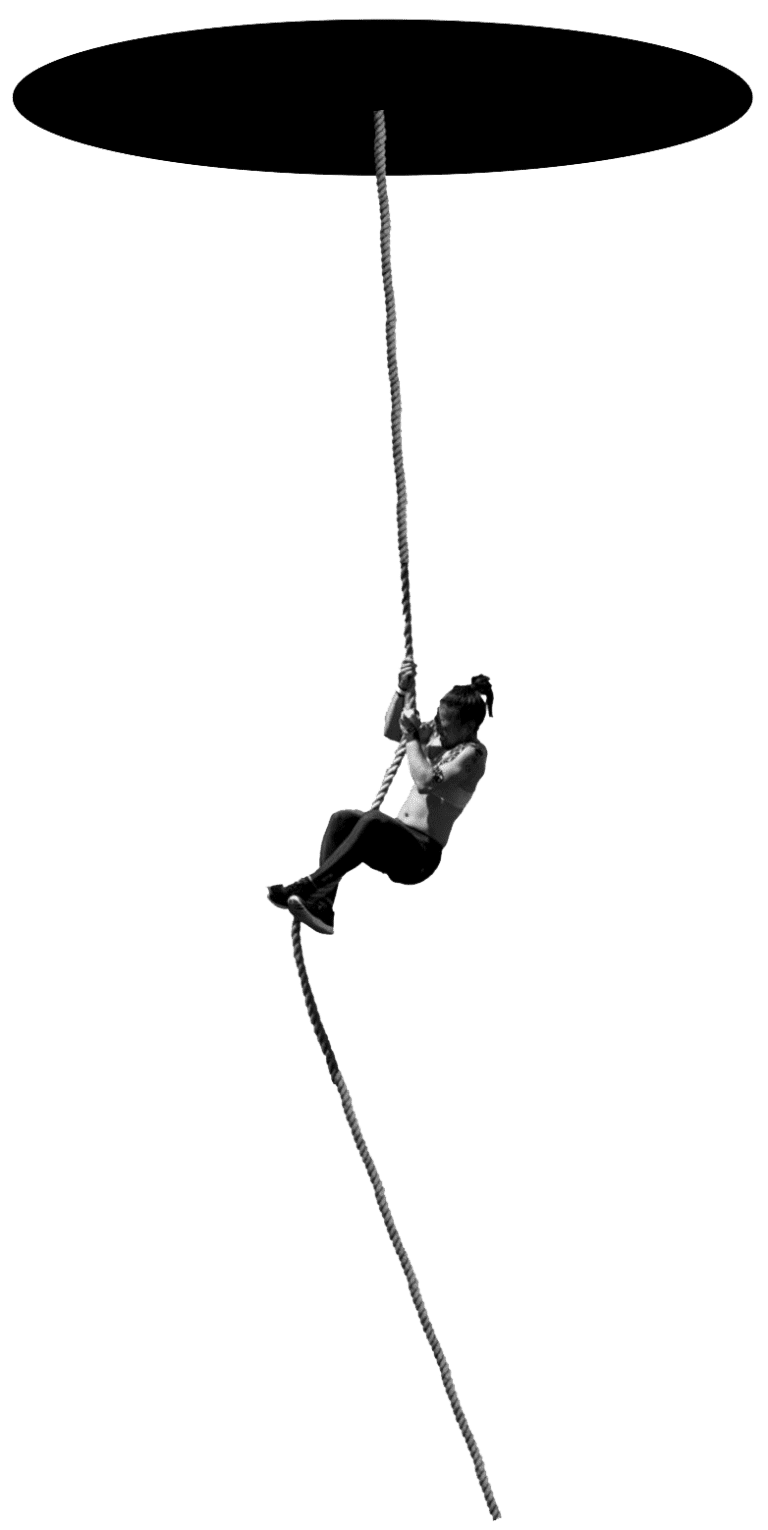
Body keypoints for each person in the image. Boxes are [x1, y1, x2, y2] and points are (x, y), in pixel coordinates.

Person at [266, 666, 494, 934]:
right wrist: (401, 692)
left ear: (468, 727)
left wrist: (413, 737)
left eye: (445, 724)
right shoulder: (437, 736)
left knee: (373, 821)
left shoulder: (473, 755)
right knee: (342, 819)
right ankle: (323, 905)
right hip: (396, 841)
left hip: (419, 856)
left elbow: (425, 780)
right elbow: (392, 731)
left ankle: (310, 886)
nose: (438, 727)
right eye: (437, 718)